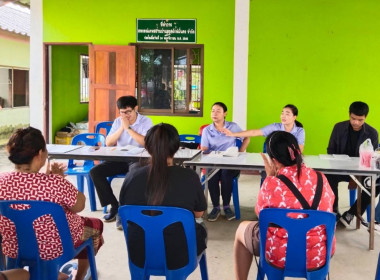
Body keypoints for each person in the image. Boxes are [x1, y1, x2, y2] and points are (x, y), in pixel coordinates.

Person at [0, 127, 104, 280]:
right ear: (40, 154)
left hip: (14, 248)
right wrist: (59, 180)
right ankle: (79, 276)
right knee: (95, 226)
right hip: (56, 249)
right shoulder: (55, 183)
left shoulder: (1, 181)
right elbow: (79, 205)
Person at [233, 131, 335, 280]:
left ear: (273, 160)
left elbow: (260, 214)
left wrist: (269, 177)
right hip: (319, 255)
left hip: (278, 257)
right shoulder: (321, 178)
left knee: (241, 229)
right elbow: (329, 206)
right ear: (297, 151)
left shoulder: (271, 183)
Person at [119, 123, 207, 269]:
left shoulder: (132, 175)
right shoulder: (190, 177)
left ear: (147, 147)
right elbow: (198, 213)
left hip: (140, 256)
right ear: (177, 148)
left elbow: (124, 211)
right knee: (201, 226)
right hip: (179, 258)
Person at [90, 95, 153, 229]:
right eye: (122, 112)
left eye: (128, 112)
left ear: (135, 108)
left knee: (133, 176)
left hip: (138, 159)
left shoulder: (146, 121)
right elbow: (108, 142)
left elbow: (146, 143)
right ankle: (114, 206)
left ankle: (125, 211)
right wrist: (122, 127)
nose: (125, 115)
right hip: (119, 158)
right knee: (95, 172)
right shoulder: (119, 121)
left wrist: (129, 129)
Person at [325, 101, 379, 225]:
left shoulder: (372, 133)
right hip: (339, 168)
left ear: (366, 117)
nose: (356, 122)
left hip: (361, 171)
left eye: (360, 120)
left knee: (375, 185)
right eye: (353, 118)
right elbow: (330, 150)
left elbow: (372, 159)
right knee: (326, 177)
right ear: (349, 114)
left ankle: (351, 213)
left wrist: (356, 177)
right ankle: (334, 211)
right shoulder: (338, 127)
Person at [201, 102, 250, 222]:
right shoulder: (207, 130)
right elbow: (204, 148)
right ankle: (216, 207)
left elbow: (247, 137)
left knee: (226, 174)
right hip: (213, 162)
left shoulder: (233, 127)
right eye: (213, 111)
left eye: (218, 111)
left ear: (225, 113)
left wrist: (240, 151)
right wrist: (206, 151)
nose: (214, 113)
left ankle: (227, 206)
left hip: (230, 162)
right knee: (211, 176)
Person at [223, 104, 305, 152]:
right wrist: (233, 134)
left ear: (294, 117)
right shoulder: (275, 127)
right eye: (282, 113)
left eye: (287, 114)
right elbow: (254, 132)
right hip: (275, 158)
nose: (283, 116)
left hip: (290, 160)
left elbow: (299, 149)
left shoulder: (300, 131)